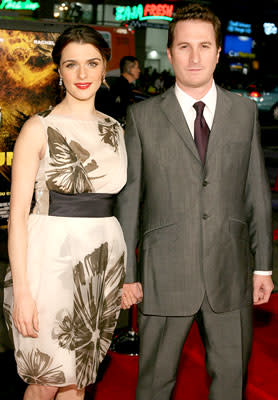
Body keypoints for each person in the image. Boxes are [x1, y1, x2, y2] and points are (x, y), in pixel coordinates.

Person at [116, 4, 274, 400]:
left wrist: (263, 267)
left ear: (219, 52)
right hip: (163, 275)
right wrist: (128, 272)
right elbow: (130, 200)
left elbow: (256, 191)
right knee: (153, 386)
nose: (195, 56)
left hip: (231, 274)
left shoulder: (244, 113)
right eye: (184, 46)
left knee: (230, 386)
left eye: (205, 46)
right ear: (169, 54)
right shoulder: (142, 118)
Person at [4, 25, 127, 400]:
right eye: (71, 65)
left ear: (104, 65)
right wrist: (22, 291)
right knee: (45, 379)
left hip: (101, 267)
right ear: (59, 70)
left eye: (91, 63)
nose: (83, 74)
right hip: (48, 265)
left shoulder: (115, 129)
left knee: (80, 379)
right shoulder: (38, 129)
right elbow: (18, 220)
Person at [109, 56, 141, 124]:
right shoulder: (121, 86)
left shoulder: (124, 84)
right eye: (137, 67)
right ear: (129, 69)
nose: (139, 70)